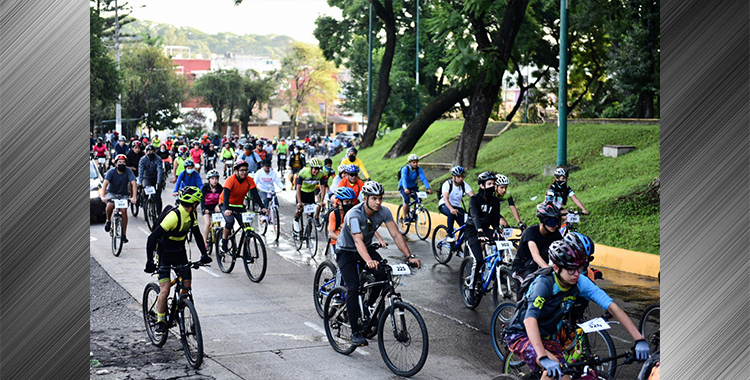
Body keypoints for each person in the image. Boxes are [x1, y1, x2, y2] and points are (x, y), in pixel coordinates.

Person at [503, 240, 650, 380]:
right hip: (521, 335)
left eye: (579, 269)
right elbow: (530, 320)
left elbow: (612, 306)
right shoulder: (544, 284)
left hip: (548, 336)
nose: (576, 274)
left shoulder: (579, 281)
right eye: (571, 269)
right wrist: (542, 356)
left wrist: (639, 339)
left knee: (565, 375)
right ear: (556, 268)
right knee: (551, 370)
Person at [334, 181, 421, 346]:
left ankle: (367, 305)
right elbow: (357, 241)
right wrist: (368, 261)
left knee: (383, 274)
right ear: (365, 198)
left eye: (380, 198)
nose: (378, 202)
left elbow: (396, 235)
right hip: (347, 250)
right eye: (374, 198)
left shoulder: (384, 212)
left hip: (365, 248)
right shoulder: (354, 215)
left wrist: (409, 256)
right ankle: (355, 332)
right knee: (353, 287)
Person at [144, 186, 212, 334]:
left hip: (180, 252)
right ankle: (161, 321)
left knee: (186, 287)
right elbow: (152, 238)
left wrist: (204, 254)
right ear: (193, 203)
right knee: (165, 289)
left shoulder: (192, 215)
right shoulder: (174, 217)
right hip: (165, 254)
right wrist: (149, 261)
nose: (198, 205)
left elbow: (198, 235)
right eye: (197, 203)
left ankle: (182, 310)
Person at [462, 172, 501, 297]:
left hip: (485, 230)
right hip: (473, 231)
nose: (492, 186)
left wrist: (496, 229)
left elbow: (495, 218)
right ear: (482, 185)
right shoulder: (474, 199)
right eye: (489, 184)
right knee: (478, 260)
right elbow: (475, 215)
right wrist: (479, 230)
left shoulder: (495, 201)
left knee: (502, 243)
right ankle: (471, 288)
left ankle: (499, 271)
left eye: (493, 184)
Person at [219, 160, 266, 252]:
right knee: (230, 221)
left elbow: (255, 195)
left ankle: (246, 250)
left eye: (246, 170)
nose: (244, 172)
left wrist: (262, 207)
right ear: (236, 171)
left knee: (246, 227)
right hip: (226, 204)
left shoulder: (249, 180)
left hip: (239, 206)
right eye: (241, 170)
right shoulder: (230, 180)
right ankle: (224, 241)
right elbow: (226, 196)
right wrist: (227, 209)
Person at [511, 202, 564, 282]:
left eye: (558, 222)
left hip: (539, 266)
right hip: (523, 267)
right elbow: (536, 256)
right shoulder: (530, 232)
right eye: (552, 222)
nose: (556, 225)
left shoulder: (555, 233)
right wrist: (550, 271)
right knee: (529, 285)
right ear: (543, 221)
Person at [100, 154, 137, 243]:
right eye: (119, 162)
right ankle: (108, 220)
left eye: (124, 162)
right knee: (110, 205)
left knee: (123, 210)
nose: (121, 164)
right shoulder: (111, 172)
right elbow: (105, 184)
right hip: (112, 193)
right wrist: (103, 196)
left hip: (124, 194)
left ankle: (124, 234)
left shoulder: (128, 171)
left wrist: (134, 197)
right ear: (116, 164)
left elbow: (134, 183)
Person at [438, 166, 475, 242]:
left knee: (466, 225)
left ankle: (458, 245)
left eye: (462, 176)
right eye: (458, 176)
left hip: (457, 206)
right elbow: (446, 199)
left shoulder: (464, 185)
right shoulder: (447, 184)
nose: (461, 178)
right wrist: (451, 209)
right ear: (453, 177)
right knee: (452, 213)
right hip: (444, 205)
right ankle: (450, 234)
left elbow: (473, 196)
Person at [294, 158, 328, 229]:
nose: (317, 171)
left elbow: (323, 188)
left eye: (318, 169)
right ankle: (295, 220)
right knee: (300, 209)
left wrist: (321, 201)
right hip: (301, 192)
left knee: (310, 215)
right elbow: (298, 188)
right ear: (311, 168)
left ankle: (308, 234)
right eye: (315, 169)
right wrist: (299, 202)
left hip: (310, 193)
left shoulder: (321, 174)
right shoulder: (303, 173)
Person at [397, 154, 433, 221]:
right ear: (410, 163)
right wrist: (405, 188)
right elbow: (404, 179)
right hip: (403, 186)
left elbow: (423, 179)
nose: (415, 164)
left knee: (418, 199)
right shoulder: (405, 169)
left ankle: (413, 214)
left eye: (416, 162)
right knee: (406, 199)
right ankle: (405, 217)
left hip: (413, 187)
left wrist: (428, 188)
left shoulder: (418, 169)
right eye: (413, 162)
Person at [200, 170, 223, 250]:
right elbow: (202, 200)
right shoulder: (205, 188)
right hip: (206, 207)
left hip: (215, 206)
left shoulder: (220, 188)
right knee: (208, 223)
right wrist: (204, 209)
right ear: (209, 179)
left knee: (220, 222)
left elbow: (222, 200)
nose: (214, 181)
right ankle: (204, 243)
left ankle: (220, 239)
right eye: (212, 178)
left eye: (216, 178)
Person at [138, 145, 165, 213]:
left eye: (152, 151)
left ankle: (159, 213)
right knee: (145, 193)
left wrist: (159, 182)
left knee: (157, 196)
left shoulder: (158, 159)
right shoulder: (142, 159)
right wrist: (140, 182)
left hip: (156, 178)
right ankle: (145, 207)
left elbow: (160, 170)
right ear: (146, 152)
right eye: (149, 151)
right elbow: (141, 171)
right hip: (146, 177)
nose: (151, 153)